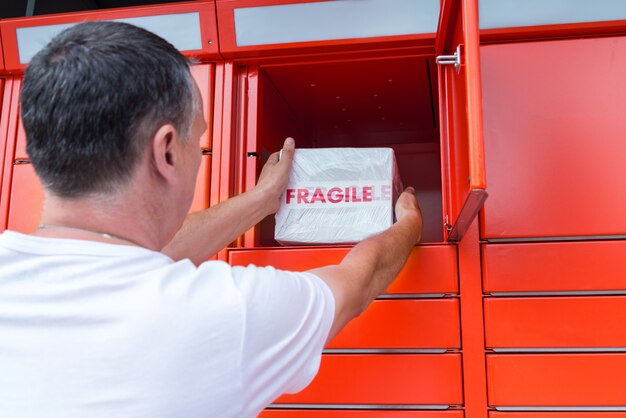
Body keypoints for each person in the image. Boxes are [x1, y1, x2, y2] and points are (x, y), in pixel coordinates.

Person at [0, 21, 423, 418]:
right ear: (167, 151)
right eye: (198, 142)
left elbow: (140, 257)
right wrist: (408, 223)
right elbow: (357, 284)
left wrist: (262, 200)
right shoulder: (224, 313)